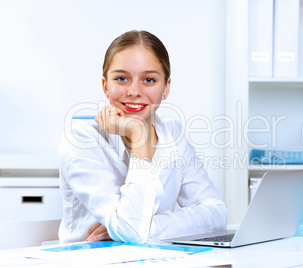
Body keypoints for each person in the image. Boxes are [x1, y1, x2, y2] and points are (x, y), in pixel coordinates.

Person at [58, 30, 227, 243]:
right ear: (105, 86)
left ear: (166, 87)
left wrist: (145, 228)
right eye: (121, 78)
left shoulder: (172, 133)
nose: (134, 91)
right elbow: (131, 230)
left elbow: (216, 213)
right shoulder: (81, 139)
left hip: (154, 259)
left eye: (148, 79)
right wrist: (138, 136)